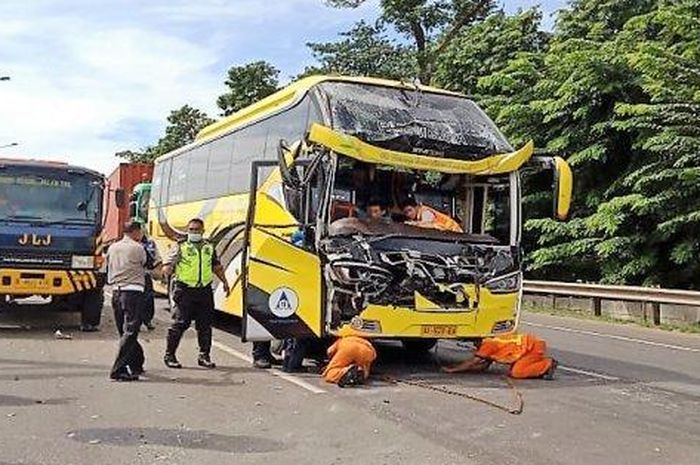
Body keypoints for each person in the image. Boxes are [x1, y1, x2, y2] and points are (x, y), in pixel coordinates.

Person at [162, 218, 230, 369]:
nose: (193, 232)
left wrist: (225, 282)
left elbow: (216, 266)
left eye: (197, 230)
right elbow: (168, 263)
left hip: (204, 290)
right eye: (191, 229)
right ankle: (170, 355)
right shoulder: (181, 247)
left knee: (205, 326)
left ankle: (204, 356)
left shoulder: (209, 247)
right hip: (185, 290)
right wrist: (166, 271)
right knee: (180, 324)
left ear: (202, 231)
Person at [106, 221, 148, 381]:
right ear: (136, 231)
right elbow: (146, 264)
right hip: (133, 292)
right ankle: (118, 369)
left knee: (125, 332)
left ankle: (136, 363)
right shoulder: (138, 248)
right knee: (130, 331)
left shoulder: (113, 247)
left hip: (116, 291)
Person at [443, 333, 558, 380]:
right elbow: (482, 367)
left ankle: (547, 364)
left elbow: (474, 361)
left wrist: (453, 369)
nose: (474, 346)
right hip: (528, 347)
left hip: (533, 346)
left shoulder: (488, 344)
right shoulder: (489, 344)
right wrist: (460, 368)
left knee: (517, 373)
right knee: (516, 370)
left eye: (475, 343)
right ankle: (539, 363)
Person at [140, 229, 161, 331]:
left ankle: (147, 320)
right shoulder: (129, 244)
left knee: (148, 299)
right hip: (133, 276)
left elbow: (156, 259)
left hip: (146, 275)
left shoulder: (150, 244)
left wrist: (157, 271)